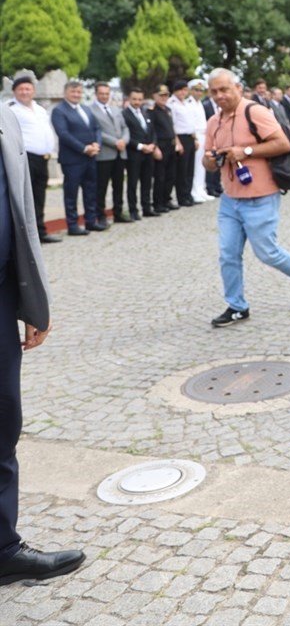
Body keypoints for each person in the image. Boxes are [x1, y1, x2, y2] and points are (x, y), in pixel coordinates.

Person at [0, 98, 85, 586]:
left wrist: (34, 304)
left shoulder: (6, 118)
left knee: (2, 420)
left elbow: (22, 216)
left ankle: (3, 546)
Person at [202, 69, 290, 327]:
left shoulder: (255, 112)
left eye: (224, 89)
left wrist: (246, 150)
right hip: (230, 199)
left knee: (267, 253)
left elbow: (283, 144)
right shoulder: (213, 122)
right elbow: (208, 163)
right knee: (228, 254)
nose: (219, 96)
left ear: (237, 88)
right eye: (214, 91)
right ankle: (237, 306)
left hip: (260, 197)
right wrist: (208, 159)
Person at [6, 74, 60, 243]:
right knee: (25, 198)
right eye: (20, 89)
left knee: (39, 196)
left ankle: (40, 231)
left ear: (33, 91)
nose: (24, 92)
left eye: (28, 88)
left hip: (42, 158)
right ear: (14, 91)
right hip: (25, 158)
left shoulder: (39, 109)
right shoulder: (9, 109)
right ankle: (26, 236)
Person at [50, 80, 103, 236]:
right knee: (71, 193)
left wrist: (96, 144)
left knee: (91, 190)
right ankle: (72, 225)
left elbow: (97, 128)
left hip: (91, 157)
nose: (76, 95)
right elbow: (64, 134)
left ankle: (91, 221)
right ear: (65, 93)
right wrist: (84, 148)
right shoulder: (59, 111)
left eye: (79, 92)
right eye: (73, 92)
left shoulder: (85, 109)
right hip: (72, 160)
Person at [90, 82, 132, 225]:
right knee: (101, 187)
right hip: (105, 154)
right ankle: (100, 215)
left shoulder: (116, 109)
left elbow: (125, 127)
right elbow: (97, 131)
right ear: (96, 94)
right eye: (101, 93)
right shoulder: (91, 110)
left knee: (119, 185)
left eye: (107, 94)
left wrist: (124, 141)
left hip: (120, 153)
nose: (104, 96)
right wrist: (115, 142)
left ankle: (118, 212)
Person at [122, 88, 159, 220]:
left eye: (139, 99)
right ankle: (133, 210)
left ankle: (147, 207)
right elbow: (126, 135)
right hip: (134, 153)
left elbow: (152, 131)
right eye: (134, 99)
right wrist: (140, 146)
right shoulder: (124, 115)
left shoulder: (145, 112)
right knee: (132, 183)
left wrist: (153, 145)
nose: (137, 102)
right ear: (129, 99)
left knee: (147, 181)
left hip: (149, 152)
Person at [168, 78, 203, 207]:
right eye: (181, 90)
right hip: (180, 138)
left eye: (185, 90)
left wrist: (195, 139)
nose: (183, 93)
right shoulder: (172, 104)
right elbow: (173, 125)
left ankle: (188, 195)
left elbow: (191, 124)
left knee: (190, 169)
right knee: (181, 170)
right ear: (176, 91)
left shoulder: (187, 104)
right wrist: (178, 143)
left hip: (189, 137)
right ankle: (182, 197)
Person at [149, 84, 180, 214]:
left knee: (171, 175)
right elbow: (152, 131)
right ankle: (158, 203)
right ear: (154, 96)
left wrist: (177, 142)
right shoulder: (152, 111)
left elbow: (172, 127)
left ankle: (167, 199)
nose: (164, 97)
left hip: (171, 145)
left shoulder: (167, 109)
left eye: (166, 95)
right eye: (161, 95)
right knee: (160, 176)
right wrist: (155, 147)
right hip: (161, 147)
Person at [188, 79, 214, 204]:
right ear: (191, 90)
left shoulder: (200, 104)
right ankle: (194, 191)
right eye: (196, 90)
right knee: (195, 165)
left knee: (202, 164)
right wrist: (195, 138)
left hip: (203, 134)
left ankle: (200, 188)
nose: (199, 93)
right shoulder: (189, 103)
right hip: (196, 135)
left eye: (201, 91)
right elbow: (190, 123)